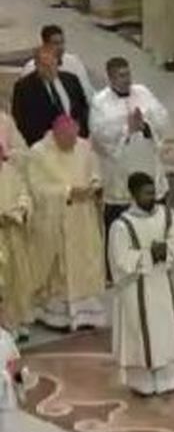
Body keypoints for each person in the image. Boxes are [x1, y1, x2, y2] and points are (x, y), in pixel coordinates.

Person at [109, 174, 174, 397]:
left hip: (162, 283)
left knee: (165, 331)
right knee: (141, 335)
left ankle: (169, 379)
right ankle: (142, 382)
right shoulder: (122, 225)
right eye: (146, 193)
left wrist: (166, 250)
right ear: (134, 194)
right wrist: (148, 255)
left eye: (153, 192)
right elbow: (119, 259)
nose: (152, 197)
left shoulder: (166, 215)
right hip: (136, 289)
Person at [29, 115, 106, 331]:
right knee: (60, 271)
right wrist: (68, 192)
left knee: (85, 262)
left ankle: (86, 313)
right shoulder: (39, 153)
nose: (73, 144)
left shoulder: (83, 146)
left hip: (83, 218)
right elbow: (37, 188)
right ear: (56, 135)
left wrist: (94, 185)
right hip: (56, 221)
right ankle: (57, 316)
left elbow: (94, 172)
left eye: (75, 138)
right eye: (67, 140)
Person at [90, 58, 170, 234]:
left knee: (156, 226)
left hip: (148, 163)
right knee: (122, 231)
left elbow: (162, 117)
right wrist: (127, 129)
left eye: (128, 74)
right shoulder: (100, 102)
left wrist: (146, 126)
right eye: (121, 76)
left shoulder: (142, 92)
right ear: (110, 78)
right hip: (120, 175)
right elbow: (99, 134)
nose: (127, 79)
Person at [0, 111, 36, 337]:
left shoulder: (11, 172)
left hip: (13, 234)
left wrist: (20, 212)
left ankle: (18, 321)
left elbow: (24, 195)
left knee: (18, 279)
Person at [11, 46, 91, 146]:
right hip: (46, 148)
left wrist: (80, 133)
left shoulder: (71, 80)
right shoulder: (24, 88)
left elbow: (83, 108)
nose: (48, 69)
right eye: (43, 65)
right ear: (36, 65)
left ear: (58, 62)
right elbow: (22, 122)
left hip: (75, 142)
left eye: (51, 64)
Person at [22, 27, 98, 97]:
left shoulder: (74, 62)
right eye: (56, 43)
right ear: (45, 45)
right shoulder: (30, 68)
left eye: (62, 42)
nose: (61, 47)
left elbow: (86, 89)